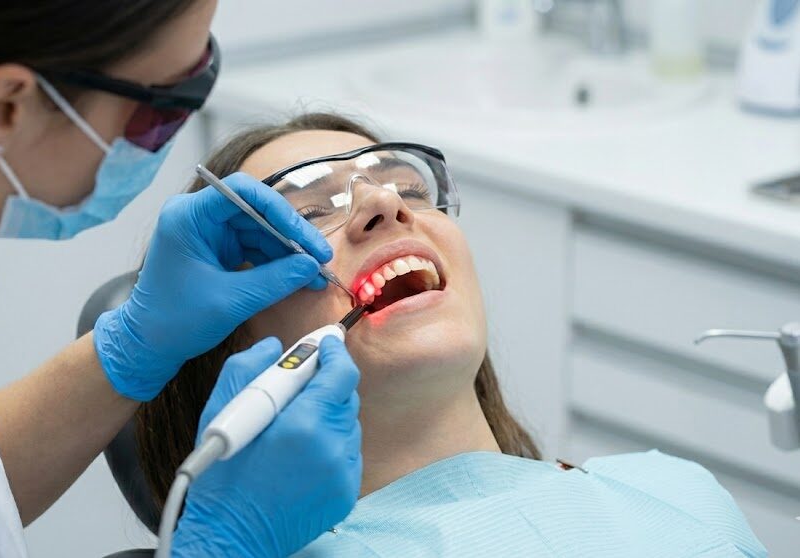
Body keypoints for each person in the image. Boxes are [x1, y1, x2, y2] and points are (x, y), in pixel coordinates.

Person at [0, 2, 362, 557]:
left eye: (413, 191)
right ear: (5, 110)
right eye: (161, 111)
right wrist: (226, 543)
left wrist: (133, 344)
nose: (385, 208)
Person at [135, 113, 768, 557]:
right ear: (229, 344)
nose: (387, 204)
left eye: (408, 187)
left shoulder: (675, 491)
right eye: (306, 213)